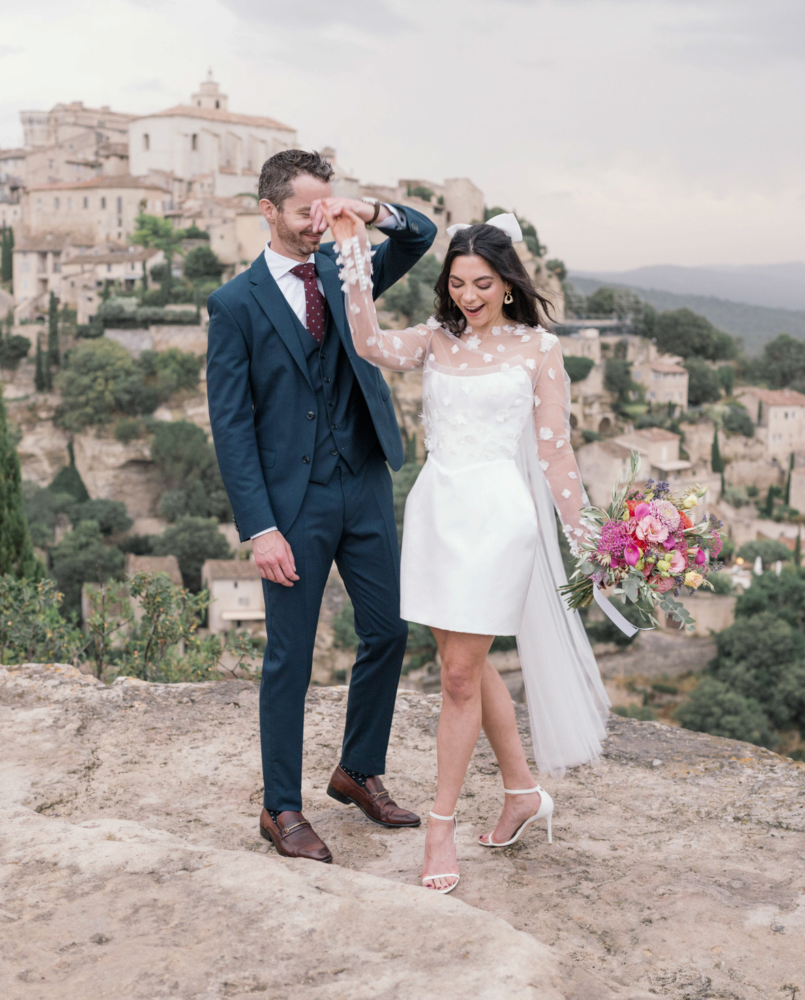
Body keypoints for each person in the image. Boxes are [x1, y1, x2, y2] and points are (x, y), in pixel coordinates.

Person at [322, 204, 610, 894]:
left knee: (456, 674)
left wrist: (594, 543)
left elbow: (555, 451)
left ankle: (439, 827)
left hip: (498, 518)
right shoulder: (434, 339)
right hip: (437, 511)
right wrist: (352, 250)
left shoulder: (539, 349)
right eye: (457, 284)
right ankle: (521, 792)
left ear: (507, 283)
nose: (468, 297)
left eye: (482, 283)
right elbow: (367, 343)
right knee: (465, 665)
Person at [207, 149, 437, 864]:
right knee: (290, 659)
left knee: (388, 631)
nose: (318, 221)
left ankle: (357, 769)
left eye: (325, 205)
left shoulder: (348, 269)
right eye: (306, 209)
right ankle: (281, 810)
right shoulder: (235, 304)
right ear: (268, 211)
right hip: (290, 506)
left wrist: (363, 213)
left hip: (364, 481)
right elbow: (232, 423)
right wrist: (260, 528)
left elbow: (421, 236)